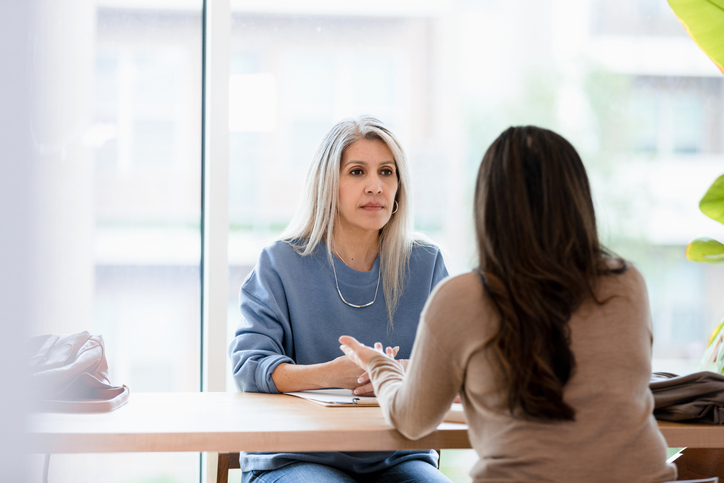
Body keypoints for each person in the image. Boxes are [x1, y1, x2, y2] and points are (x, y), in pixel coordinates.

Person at [340, 126, 678, 482]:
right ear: (577, 199)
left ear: (490, 205)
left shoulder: (463, 297)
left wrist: (381, 366)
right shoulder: (628, 284)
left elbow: (412, 421)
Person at [228, 115, 451, 482]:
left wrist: (401, 372)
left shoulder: (426, 264)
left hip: (398, 456)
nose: (376, 186)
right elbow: (249, 366)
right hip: (295, 456)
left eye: (387, 172)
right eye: (357, 172)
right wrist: (332, 375)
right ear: (328, 184)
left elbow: (459, 367)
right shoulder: (281, 262)